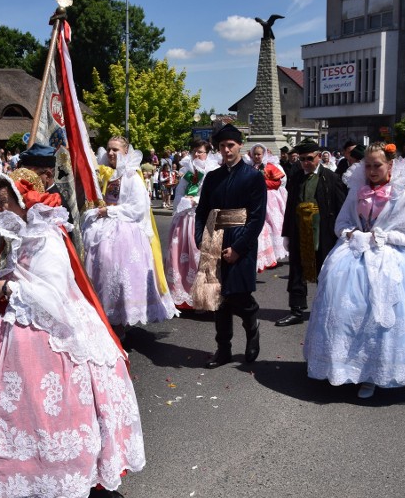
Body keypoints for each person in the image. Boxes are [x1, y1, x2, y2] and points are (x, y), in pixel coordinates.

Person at [0, 171, 145, 498]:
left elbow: (52, 293)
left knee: (42, 401)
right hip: (4, 321)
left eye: (6, 198)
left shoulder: (46, 237)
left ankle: (50, 474)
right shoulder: (10, 234)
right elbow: (2, 269)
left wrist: (7, 287)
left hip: (44, 323)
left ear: (23, 201)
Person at [305, 142, 405, 399]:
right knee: (347, 311)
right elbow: (342, 222)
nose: (373, 170)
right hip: (355, 257)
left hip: (392, 260)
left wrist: (382, 236)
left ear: (390, 165)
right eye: (368, 166)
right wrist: (351, 233)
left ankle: (377, 373)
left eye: (378, 165)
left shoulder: (402, 195)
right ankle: (347, 367)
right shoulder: (356, 191)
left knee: (381, 317)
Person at [82, 136, 177, 333]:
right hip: (102, 228)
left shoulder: (132, 176)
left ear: (125, 152)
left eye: (115, 150)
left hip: (124, 232)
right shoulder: (106, 174)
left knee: (119, 276)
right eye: (108, 149)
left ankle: (120, 319)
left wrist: (109, 211)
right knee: (99, 272)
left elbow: (138, 208)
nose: (110, 153)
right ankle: (102, 316)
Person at [192, 124, 267, 367]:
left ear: (239, 146)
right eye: (222, 146)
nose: (226, 150)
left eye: (231, 145)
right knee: (217, 297)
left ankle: (252, 323)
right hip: (213, 237)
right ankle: (223, 348)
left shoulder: (253, 177)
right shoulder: (213, 177)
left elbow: (256, 217)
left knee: (239, 295)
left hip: (239, 239)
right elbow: (202, 211)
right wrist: (199, 238)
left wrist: (239, 248)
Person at [276, 138, 347, 327]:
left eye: (309, 158)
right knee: (297, 270)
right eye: (302, 159)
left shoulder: (331, 178)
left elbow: (341, 208)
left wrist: (341, 235)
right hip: (301, 230)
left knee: (325, 270)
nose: (305, 163)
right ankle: (296, 309)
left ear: (318, 157)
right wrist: (287, 233)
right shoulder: (297, 176)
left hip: (324, 233)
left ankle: (328, 309)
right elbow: (290, 206)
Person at [165, 139, 219, 310]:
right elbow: (179, 193)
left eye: (200, 151)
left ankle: (202, 299)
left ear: (207, 153)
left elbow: (213, 196)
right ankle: (182, 296)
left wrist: (195, 200)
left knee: (200, 258)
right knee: (179, 256)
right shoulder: (188, 171)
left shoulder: (213, 171)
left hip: (201, 218)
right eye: (194, 151)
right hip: (185, 218)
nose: (197, 154)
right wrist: (182, 202)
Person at [245, 143, 289, 272]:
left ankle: (274, 252)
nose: (257, 157)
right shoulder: (249, 167)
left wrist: (261, 183)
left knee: (272, 223)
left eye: (259, 154)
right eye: (255, 154)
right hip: (254, 198)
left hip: (269, 198)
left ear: (264, 155)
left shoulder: (270, 166)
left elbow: (277, 182)